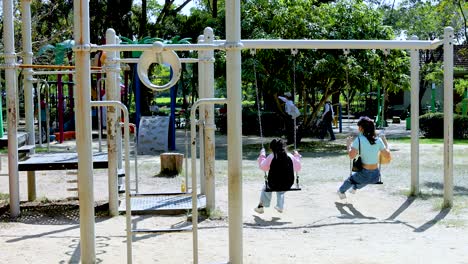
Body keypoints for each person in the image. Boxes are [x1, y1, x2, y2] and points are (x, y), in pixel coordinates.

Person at [337, 116, 391, 199]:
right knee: (362, 179)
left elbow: (351, 156)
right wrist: (386, 143)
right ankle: (355, 188)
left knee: (350, 180)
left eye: (359, 127)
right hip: (376, 176)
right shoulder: (378, 140)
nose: (358, 128)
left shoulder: (359, 139)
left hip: (364, 174)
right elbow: (387, 156)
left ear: (362, 128)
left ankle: (341, 192)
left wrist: (348, 144)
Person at [254, 138, 302, 214]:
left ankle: (261, 206)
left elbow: (263, 167)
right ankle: (280, 206)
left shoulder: (271, 156)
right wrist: (296, 156)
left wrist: (262, 156)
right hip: (288, 184)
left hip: (273, 184)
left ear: (271, 148)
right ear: (284, 147)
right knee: (281, 190)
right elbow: (298, 168)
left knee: (266, 188)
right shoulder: (290, 156)